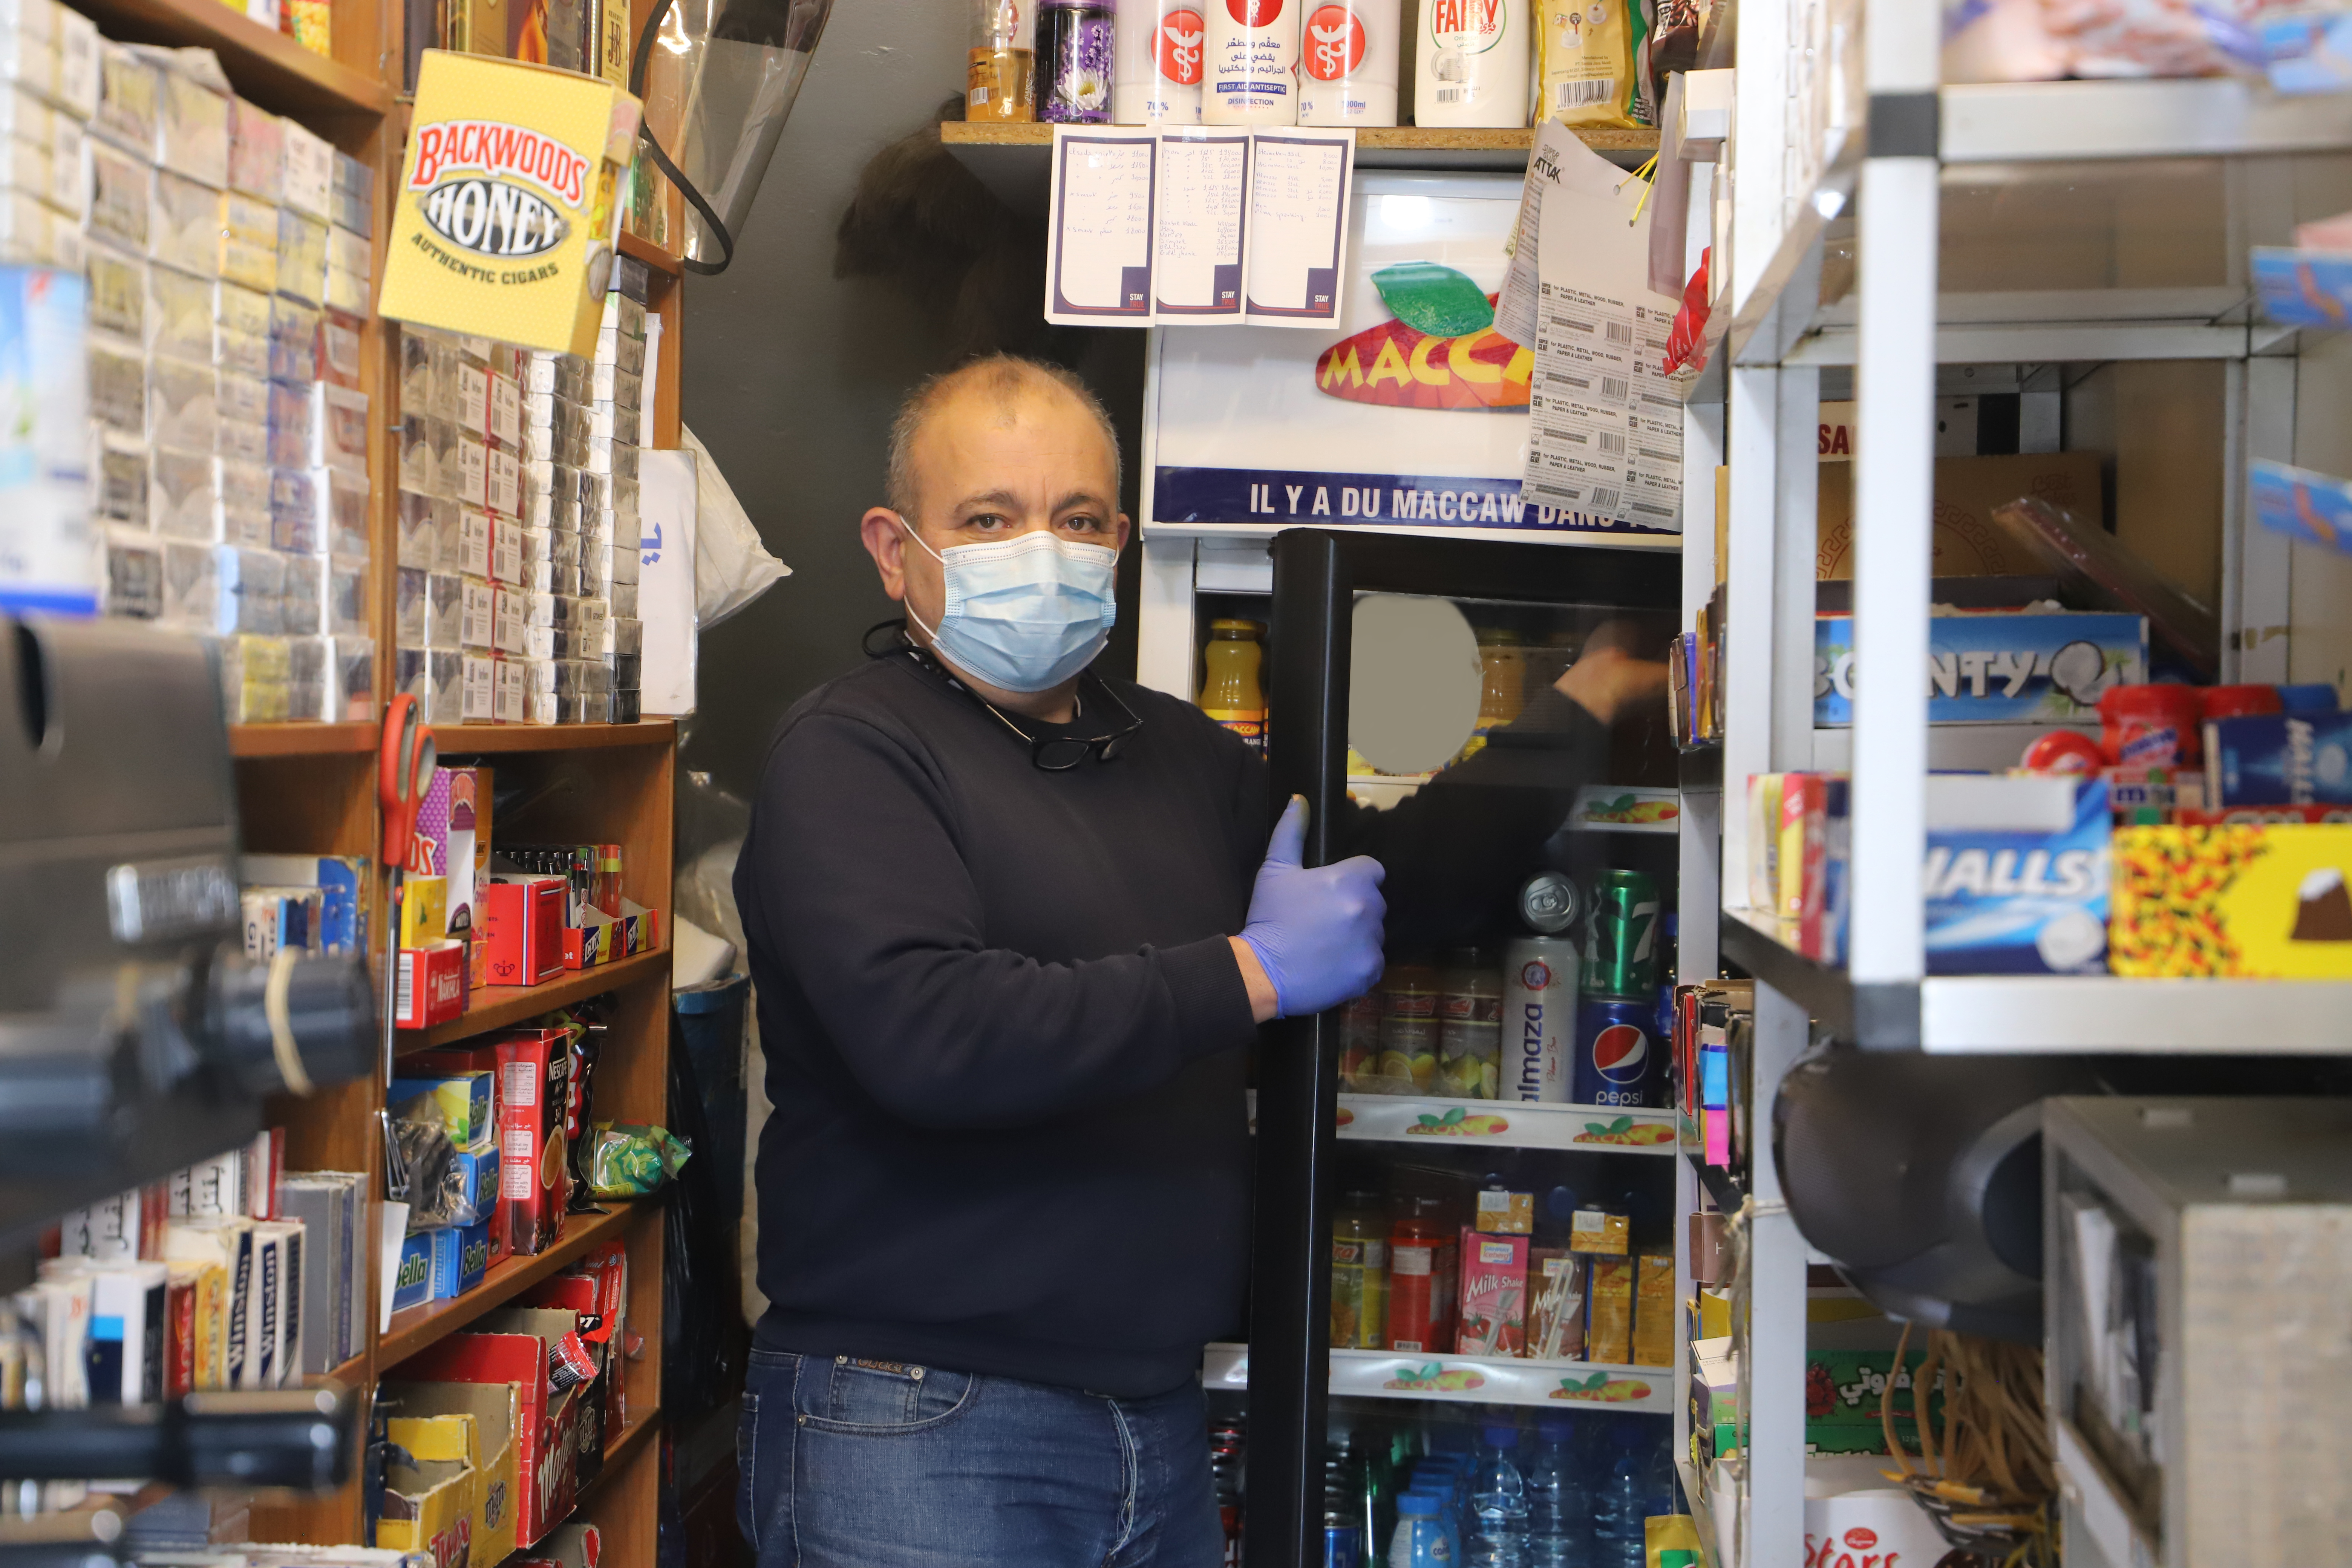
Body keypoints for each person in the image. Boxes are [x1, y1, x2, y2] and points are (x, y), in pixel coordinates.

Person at [732, 354, 1665, 1568]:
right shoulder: (850, 755)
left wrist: (1580, 703)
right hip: (916, 1419)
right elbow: (933, 1033)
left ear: (1119, 540)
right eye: (989, 519)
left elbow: (1393, 887)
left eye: (1074, 520)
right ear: (893, 546)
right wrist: (1252, 973)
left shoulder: (1169, 752)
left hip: (1156, 1421)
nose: (1041, 549)